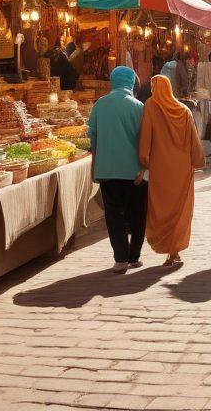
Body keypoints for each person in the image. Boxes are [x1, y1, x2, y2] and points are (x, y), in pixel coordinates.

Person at [138, 74, 205, 268]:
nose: (151, 89)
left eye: (152, 86)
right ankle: (174, 250)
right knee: (180, 208)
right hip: (182, 168)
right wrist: (198, 161)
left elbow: (146, 135)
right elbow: (194, 139)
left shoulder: (151, 105)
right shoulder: (184, 110)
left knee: (162, 207)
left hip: (161, 168)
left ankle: (170, 249)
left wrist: (144, 159)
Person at [87, 66, 147, 273]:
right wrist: (144, 167)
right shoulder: (138, 106)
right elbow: (145, 140)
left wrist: (97, 161)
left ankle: (120, 258)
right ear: (131, 83)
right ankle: (134, 257)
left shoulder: (100, 105)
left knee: (114, 215)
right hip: (135, 172)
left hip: (108, 169)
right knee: (138, 214)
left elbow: (93, 137)